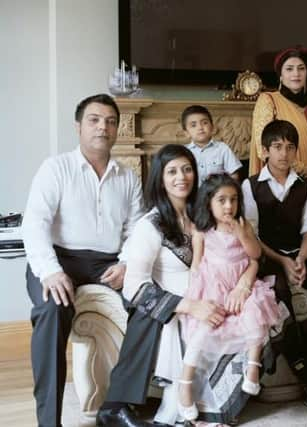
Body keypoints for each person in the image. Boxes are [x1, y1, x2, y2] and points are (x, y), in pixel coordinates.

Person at [97, 145, 259, 426]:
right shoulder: (151, 225)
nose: (181, 177)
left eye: (187, 169)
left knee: (255, 314)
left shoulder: (203, 215)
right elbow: (134, 285)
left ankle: (221, 403)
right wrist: (190, 306)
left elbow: (244, 253)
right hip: (178, 304)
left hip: (215, 294)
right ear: (160, 178)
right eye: (171, 171)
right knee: (189, 331)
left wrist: (243, 283)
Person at [22, 93, 144, 427]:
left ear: (117, 129)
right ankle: (49, 420)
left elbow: (137, 230)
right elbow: (34, 225)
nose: (102, 127)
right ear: (78, 127)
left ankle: (118, 405)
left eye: (110, 121)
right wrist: (50, 271)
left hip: (108, 262)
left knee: (150, 303)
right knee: (52, 309)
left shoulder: (128, 176)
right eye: (94, 120)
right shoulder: (55, 168)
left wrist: (127, 264)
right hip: (59, 258)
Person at [242, 119, 307, 409]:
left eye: (289, 147)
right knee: (280, 298)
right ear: (264, 151)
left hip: (300, 252)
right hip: (268, 257)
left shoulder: (304, 187)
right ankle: (306, 373)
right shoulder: (251, 187)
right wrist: (283, 261)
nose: (284, 154)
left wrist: (299, 258)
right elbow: (252, 234)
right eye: (277, 147)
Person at [177, 173, 282, 423]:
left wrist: (242, 233)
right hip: (213, 286)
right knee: (201, 331)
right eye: (221, 200)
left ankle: (252, 369)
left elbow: (254, 255)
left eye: (233, 200)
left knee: (256, 314)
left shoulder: (242, 225)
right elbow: (197, 263)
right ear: (208, 203)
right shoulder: (203, 229)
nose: (228, 206)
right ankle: (185, 385)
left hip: (240, 283)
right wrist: (195, 291)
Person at [249, 46, 307, 246]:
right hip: (280, 184)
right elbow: (264, 149)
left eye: (301, 68)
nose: (296, 73)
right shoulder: (268, 100)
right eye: (289, 68)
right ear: (280, 74)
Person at [182, 104, 242, 184]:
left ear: (212, 127)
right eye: (193, 125)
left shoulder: (222, 148)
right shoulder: (184, 152)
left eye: (205, 123)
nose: (200, 127)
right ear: (186, 133)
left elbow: (234, 175)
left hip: (217, 194)